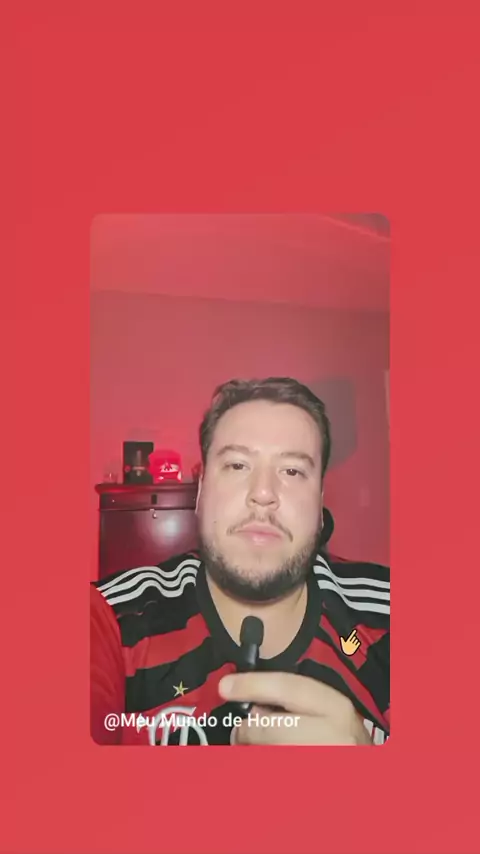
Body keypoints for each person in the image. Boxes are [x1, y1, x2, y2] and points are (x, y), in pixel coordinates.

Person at [91, 377, 390, 746]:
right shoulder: (110, 619)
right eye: (237, 465)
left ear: (319, 501)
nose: (263, 493)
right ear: (201, 492)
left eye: (292, 471)